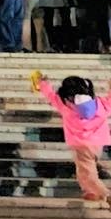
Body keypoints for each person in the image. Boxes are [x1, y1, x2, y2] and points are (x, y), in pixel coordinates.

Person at [30, 71, 111, 208]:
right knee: (84, 169)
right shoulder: (99, 103)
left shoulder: (66, 105)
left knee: (87, 172)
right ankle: (91, 192)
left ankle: (105, 194)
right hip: (98, 143)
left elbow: (51, 95)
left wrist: (42, 83)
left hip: (80, 144)